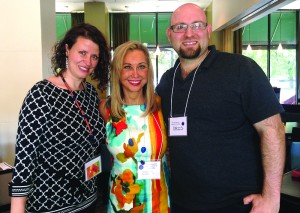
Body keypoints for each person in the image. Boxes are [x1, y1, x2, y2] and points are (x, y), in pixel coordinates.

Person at [156, 3, 286, 213]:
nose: (189, 33)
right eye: (180, 27)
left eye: (196, 25)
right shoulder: (166, 81)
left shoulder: (242, 70)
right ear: (170, 34)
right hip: (182, 204)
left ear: (208, 30)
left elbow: (273, 130)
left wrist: (271, 197)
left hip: (237, 205)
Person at [9, 23, 110, 213]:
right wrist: (17, 208)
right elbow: (25, 157)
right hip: (51, 204)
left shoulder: (90, 94)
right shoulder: (42, 94)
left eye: (94, 56)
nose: (87, 61)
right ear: (67, 50)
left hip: (88, 199)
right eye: (82, 53)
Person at [99, 41, 170, 212]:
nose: (135, 74)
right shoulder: (106, 108)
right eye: (127, 67)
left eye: (141, 66)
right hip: (121, 202)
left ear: (148, 70)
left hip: (158, 200)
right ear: (117, 71)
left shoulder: (160, 105)